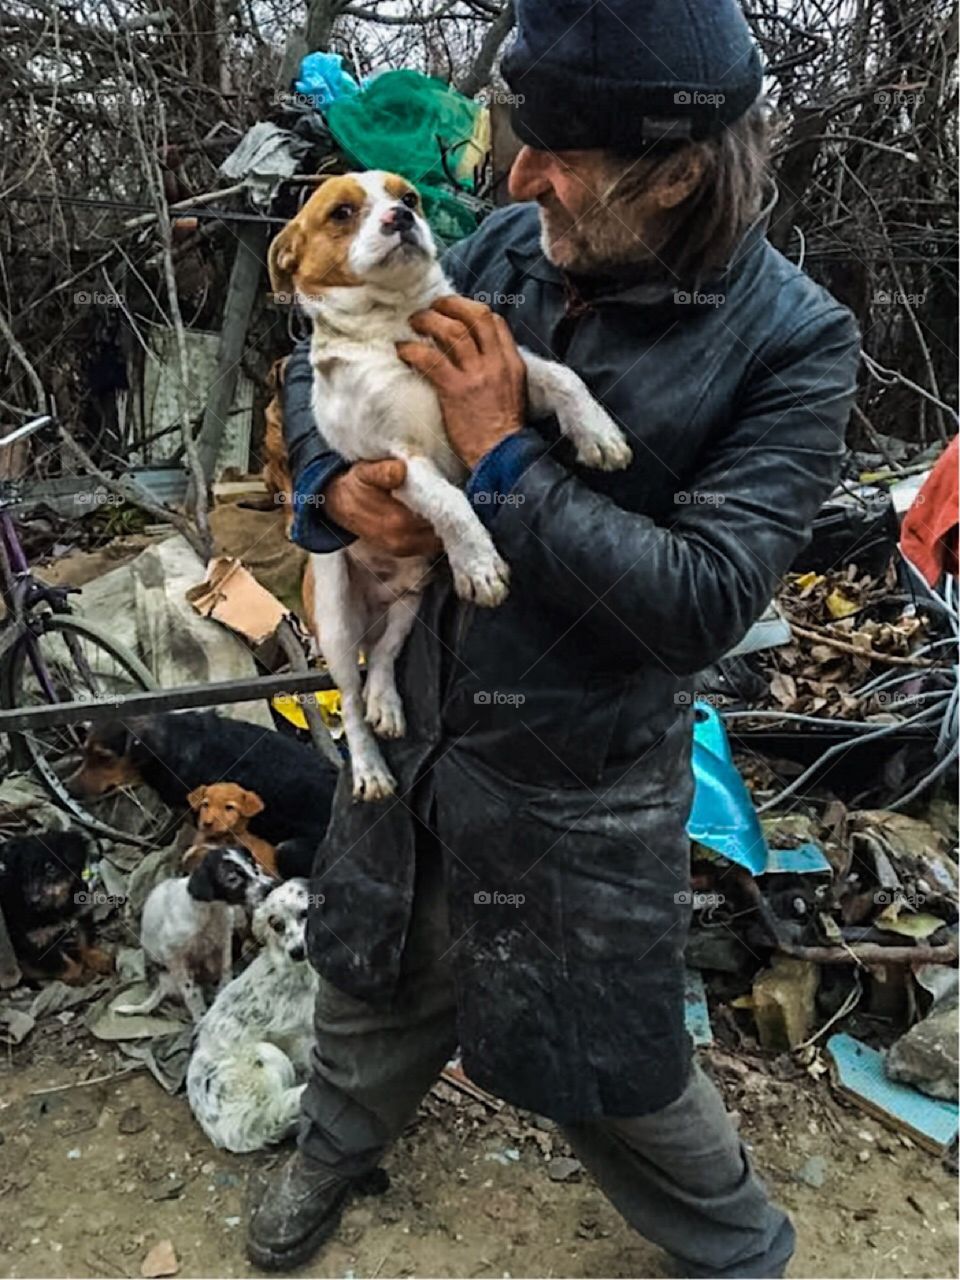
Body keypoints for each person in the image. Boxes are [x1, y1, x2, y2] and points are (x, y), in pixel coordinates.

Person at [247, 1, 860, 1274]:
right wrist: (333, 492)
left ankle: (740, 1248)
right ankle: (332, 1152)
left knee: (612, 1063)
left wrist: (505, 455)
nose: (514, 179)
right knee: (370, 978)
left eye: (557, 153)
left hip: (576, 771)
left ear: (676, 173)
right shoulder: (518, 246)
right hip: (419, 711)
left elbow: (702, 600)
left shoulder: (792, 343)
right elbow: (330, 376)